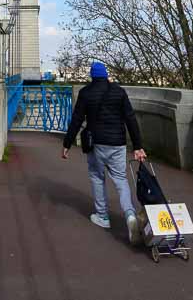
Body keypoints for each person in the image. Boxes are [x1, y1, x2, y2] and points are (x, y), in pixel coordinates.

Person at [62, 61, 147, 244]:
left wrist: (67, 144)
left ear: (92, 76)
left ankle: (103, 216)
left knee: (96, 176)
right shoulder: (118, 91)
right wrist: (138, 146)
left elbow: (76, 119)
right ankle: (130, 215)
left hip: (97, 143)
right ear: (106, 74)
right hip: (118, 143)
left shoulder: (86, 93)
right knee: (121, 180)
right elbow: (130, 119)